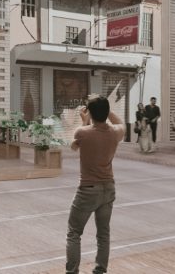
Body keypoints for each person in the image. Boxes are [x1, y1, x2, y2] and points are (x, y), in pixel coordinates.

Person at [66, 95, 126, 274]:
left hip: (87, 190)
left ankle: (72, 272)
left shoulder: (82, 132)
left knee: (74, 233)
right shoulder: (116, 132)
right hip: (108, 188)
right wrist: (106, 110)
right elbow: (121, 122)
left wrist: (85, 121)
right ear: (106, 112)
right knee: (103, 234)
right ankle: (100, 271)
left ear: (90, 113)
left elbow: (74, 147)